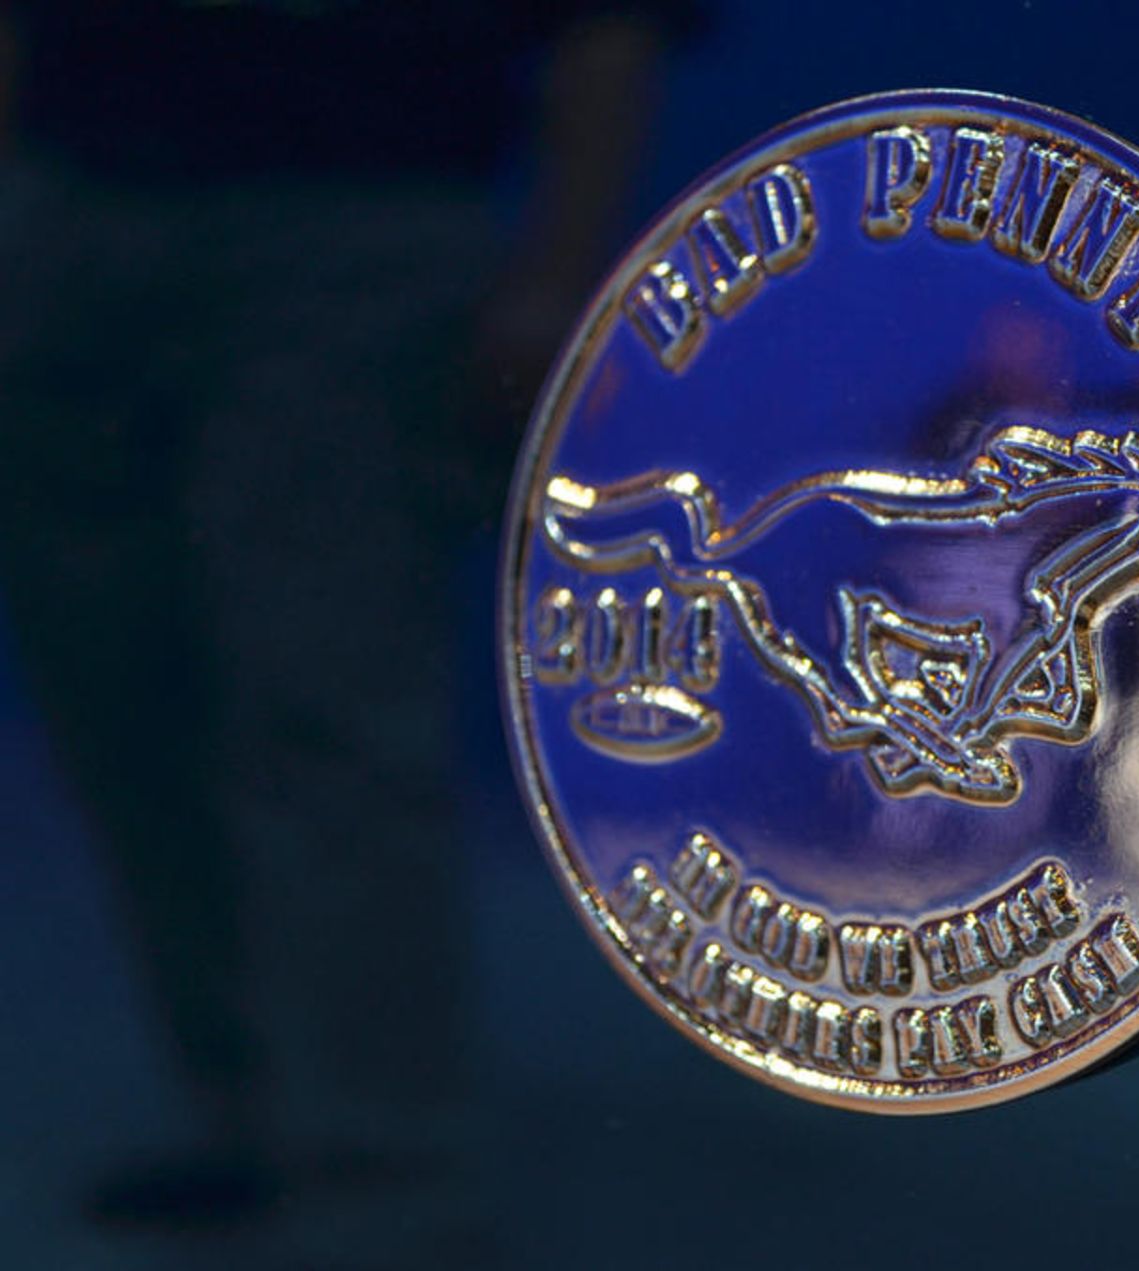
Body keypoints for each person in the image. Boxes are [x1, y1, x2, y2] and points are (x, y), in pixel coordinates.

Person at [0, 2, 684, 1261]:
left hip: (362, 212)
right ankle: (261, 1105)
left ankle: (387, 1185)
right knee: (118, 687)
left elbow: (613, 23)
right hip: (72, 191)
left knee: (328, 696)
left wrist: (553, 281)